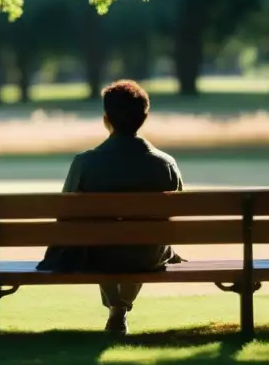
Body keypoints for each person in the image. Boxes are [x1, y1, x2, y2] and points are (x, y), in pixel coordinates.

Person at [37, 79, 184, 336]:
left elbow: (66, 214)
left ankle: (116, 306)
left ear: (107, 118)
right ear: (143, 118)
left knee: (97, 238)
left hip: (98, 255)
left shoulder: (85, 163)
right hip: (148, 255)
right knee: (146, 239)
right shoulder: (166, 164)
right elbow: (177, 212)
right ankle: (120, 308)